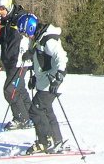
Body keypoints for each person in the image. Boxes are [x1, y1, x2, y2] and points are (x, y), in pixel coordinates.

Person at [19, 13, 69, 154]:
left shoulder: (48, 40)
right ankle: (56, 140)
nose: (26, 36)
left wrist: (59, 76)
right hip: (45, 82)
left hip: (52, 82)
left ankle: (45, 141)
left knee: (35, 110)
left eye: (25, 32)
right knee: (46, 110)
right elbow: (42, 59)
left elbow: (62, 57)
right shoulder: (40, 37)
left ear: (30, 28)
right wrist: (34, 76)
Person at [0, 0, 33, 128]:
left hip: (20, 60)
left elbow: (31, 34)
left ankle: (21, 118)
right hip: (9, 59)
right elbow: (4, 38)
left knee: (10, 90)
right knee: (20, 89)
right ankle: (33, 116)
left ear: (8, 6)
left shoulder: (21, 18)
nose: (0, 12)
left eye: (1, 9)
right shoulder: (7, 19)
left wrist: (30, 52)